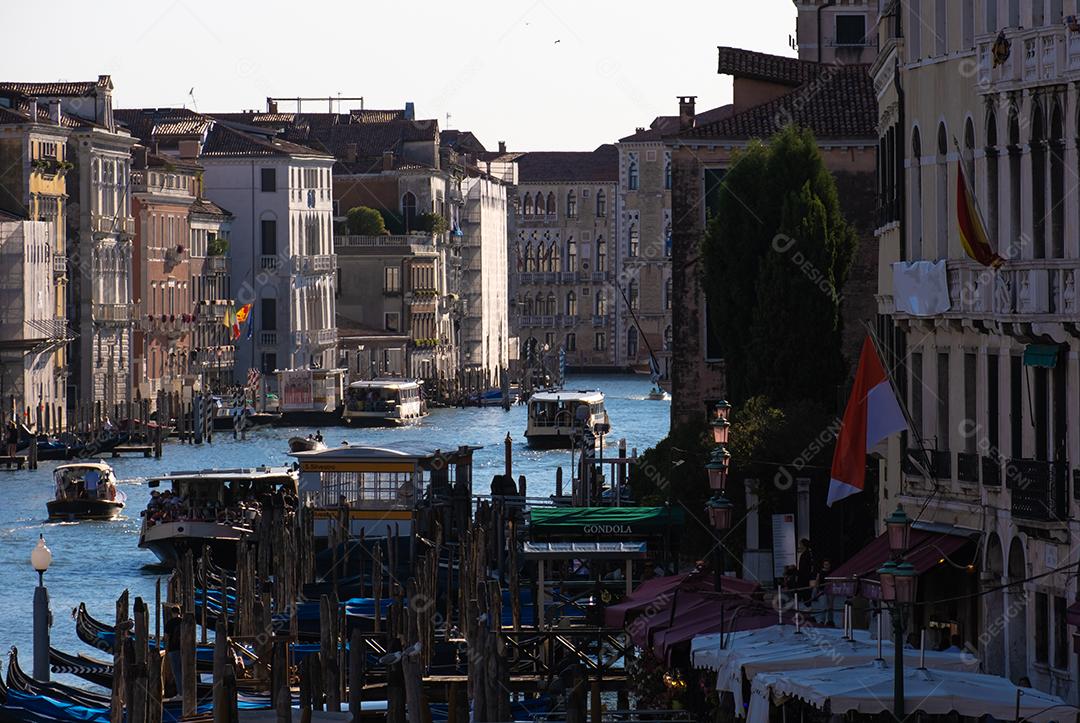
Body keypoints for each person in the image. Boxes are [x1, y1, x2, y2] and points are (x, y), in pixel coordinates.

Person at [164, 604, 184, 700]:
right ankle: (185, 692)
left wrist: (166, 650)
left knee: (177, 672)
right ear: (179, 612)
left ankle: (181, 693)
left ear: (172, 613)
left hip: (173, 649)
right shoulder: (184, 622)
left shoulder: (169, 623)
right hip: (185, 650)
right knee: (184, 671)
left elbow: (166, 638)